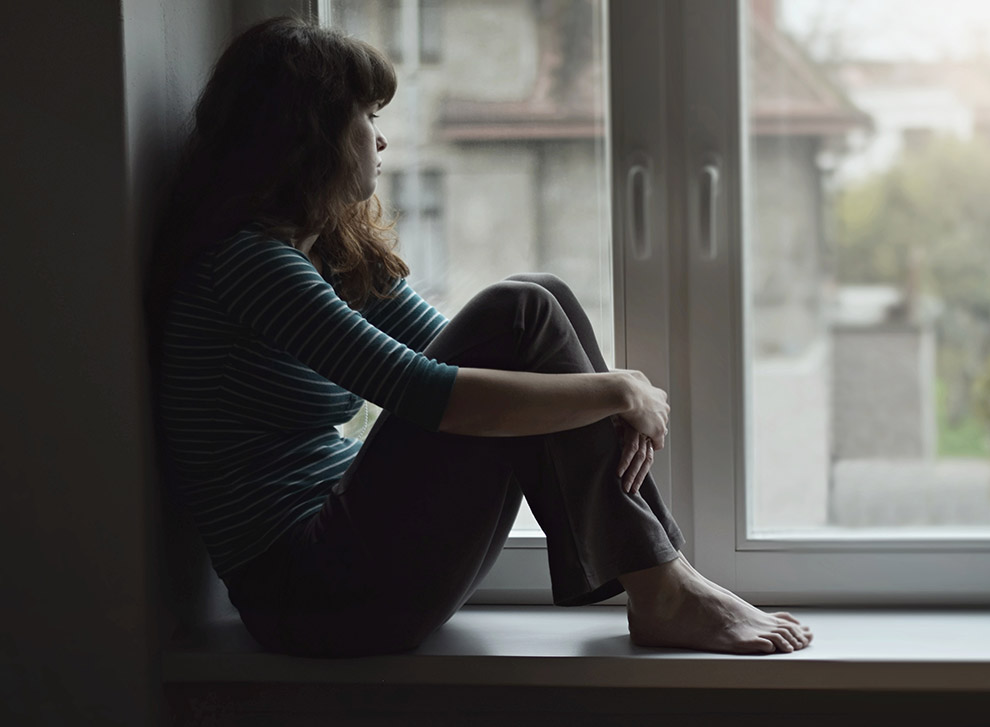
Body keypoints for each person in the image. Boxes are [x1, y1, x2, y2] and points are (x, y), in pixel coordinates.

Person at [148, 16, 811, 658]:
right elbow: (431, 392)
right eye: (368, 117)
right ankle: (662, 586)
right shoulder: (247, 266)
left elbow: (462, 352)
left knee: (540, 300)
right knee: (521, 308)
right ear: (312, 135)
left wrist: (608, 392)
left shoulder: (326, 254)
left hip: (349, 571)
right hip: (310, 597)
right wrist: (616, 390)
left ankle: (662, 581)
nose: (381, 141)